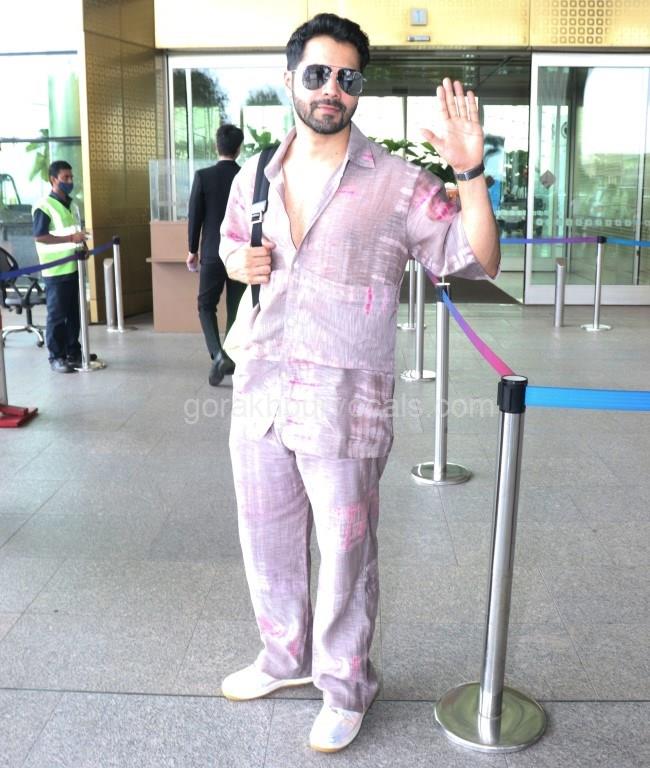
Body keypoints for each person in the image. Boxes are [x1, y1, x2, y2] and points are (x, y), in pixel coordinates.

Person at [219, 13, 500, 753]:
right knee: (265, 538)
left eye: (347, 78)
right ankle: (282, 657)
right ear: (290, 80)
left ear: (358, 89)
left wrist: (469, 172)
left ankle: (346, 685)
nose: (331, 89)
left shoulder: (399, 185)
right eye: (317, 74)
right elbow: (230, 244)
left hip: (346, 406)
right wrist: (235, 262)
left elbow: (476, 261)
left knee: (347, 554)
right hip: (262, 391)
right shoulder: (255, 174)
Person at [187, 124, 246, 386]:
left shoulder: (203, 176)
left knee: (205, 305)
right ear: (239, 148)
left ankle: (217, 354)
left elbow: (195, 217)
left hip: (212, 252)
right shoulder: (246, 176)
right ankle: (229, 356)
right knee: (236, 307)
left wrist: (192, 250)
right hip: (239, 253)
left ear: (216, 146)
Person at [32, 160, 88, 373]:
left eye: (71, 177)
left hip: (74, 267)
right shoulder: (44, 206)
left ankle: (73, 352)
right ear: (53, 180)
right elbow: (41, 236)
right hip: (56, 271)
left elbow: (75, 231)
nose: (70, 181)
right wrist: (71, 238)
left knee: (74, 314)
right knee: (57, 316)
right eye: (65, 177)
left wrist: (82, 246)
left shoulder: (72, 205)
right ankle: (56, 357)